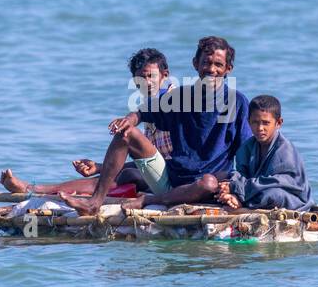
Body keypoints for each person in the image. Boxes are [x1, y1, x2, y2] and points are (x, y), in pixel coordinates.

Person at [61, 36, 251, 214]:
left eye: (218, 64)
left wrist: (238, 190)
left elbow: (248, 152)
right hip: (172, 178)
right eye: (206, 63)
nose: (211, 69)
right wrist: (129, 120)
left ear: (228, 69)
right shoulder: (180, 98)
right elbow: (143, 112)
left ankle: (149, 200)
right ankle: (95, 202)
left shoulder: (237, 102)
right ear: (195, 64)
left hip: (206, 186)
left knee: (208, 182)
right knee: (127, 133)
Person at [0, 48, 173, 196]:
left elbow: (174, 160)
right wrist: (99, 167)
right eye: (141, 79)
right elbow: (152, 160)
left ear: (165, 75)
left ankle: (33, 189)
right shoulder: (149, 106)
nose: (147, 83)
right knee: (118, 175)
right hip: (163, 173)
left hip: (178, 179)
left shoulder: (175, 101)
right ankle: (34, 188)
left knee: (123, 169)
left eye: (151, 76)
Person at [217, 95, 313, 211]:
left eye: (266, 123)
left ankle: (240, 200)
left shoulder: (284, 149)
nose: (260, 128)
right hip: (255, 190)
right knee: (222, 181)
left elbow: (277, 182)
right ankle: (236, 198)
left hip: (291, 199)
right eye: (255, 122)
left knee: (273, 194)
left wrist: (236, 188)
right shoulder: (246, 147)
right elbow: (241, 174)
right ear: (248, 122)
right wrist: (230, 184)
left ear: (278, 123)